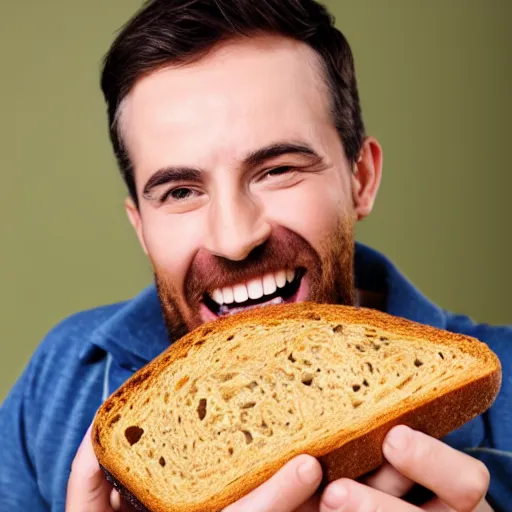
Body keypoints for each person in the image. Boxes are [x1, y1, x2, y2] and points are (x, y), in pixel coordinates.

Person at [1, 0, 510, 510]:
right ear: (141, 226)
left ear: (361, 179)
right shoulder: (60, 379)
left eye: (277, 169)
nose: (234, 238)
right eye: (179, 191)